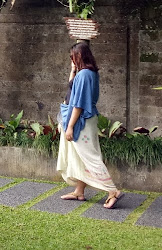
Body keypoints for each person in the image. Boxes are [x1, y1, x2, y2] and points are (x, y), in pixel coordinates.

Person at [56, 42, 123, 209]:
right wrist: (73, 69)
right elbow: (71, 89)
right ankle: (79, 191)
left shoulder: (85, 75)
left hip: (81, 121)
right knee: (81, 157)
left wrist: (70, 126)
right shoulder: (86, 73)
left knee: (90, 157)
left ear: (80, 56)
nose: (72, 59)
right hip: (82, 119)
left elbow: (79, 104)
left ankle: (112, 191)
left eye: (74, 57)